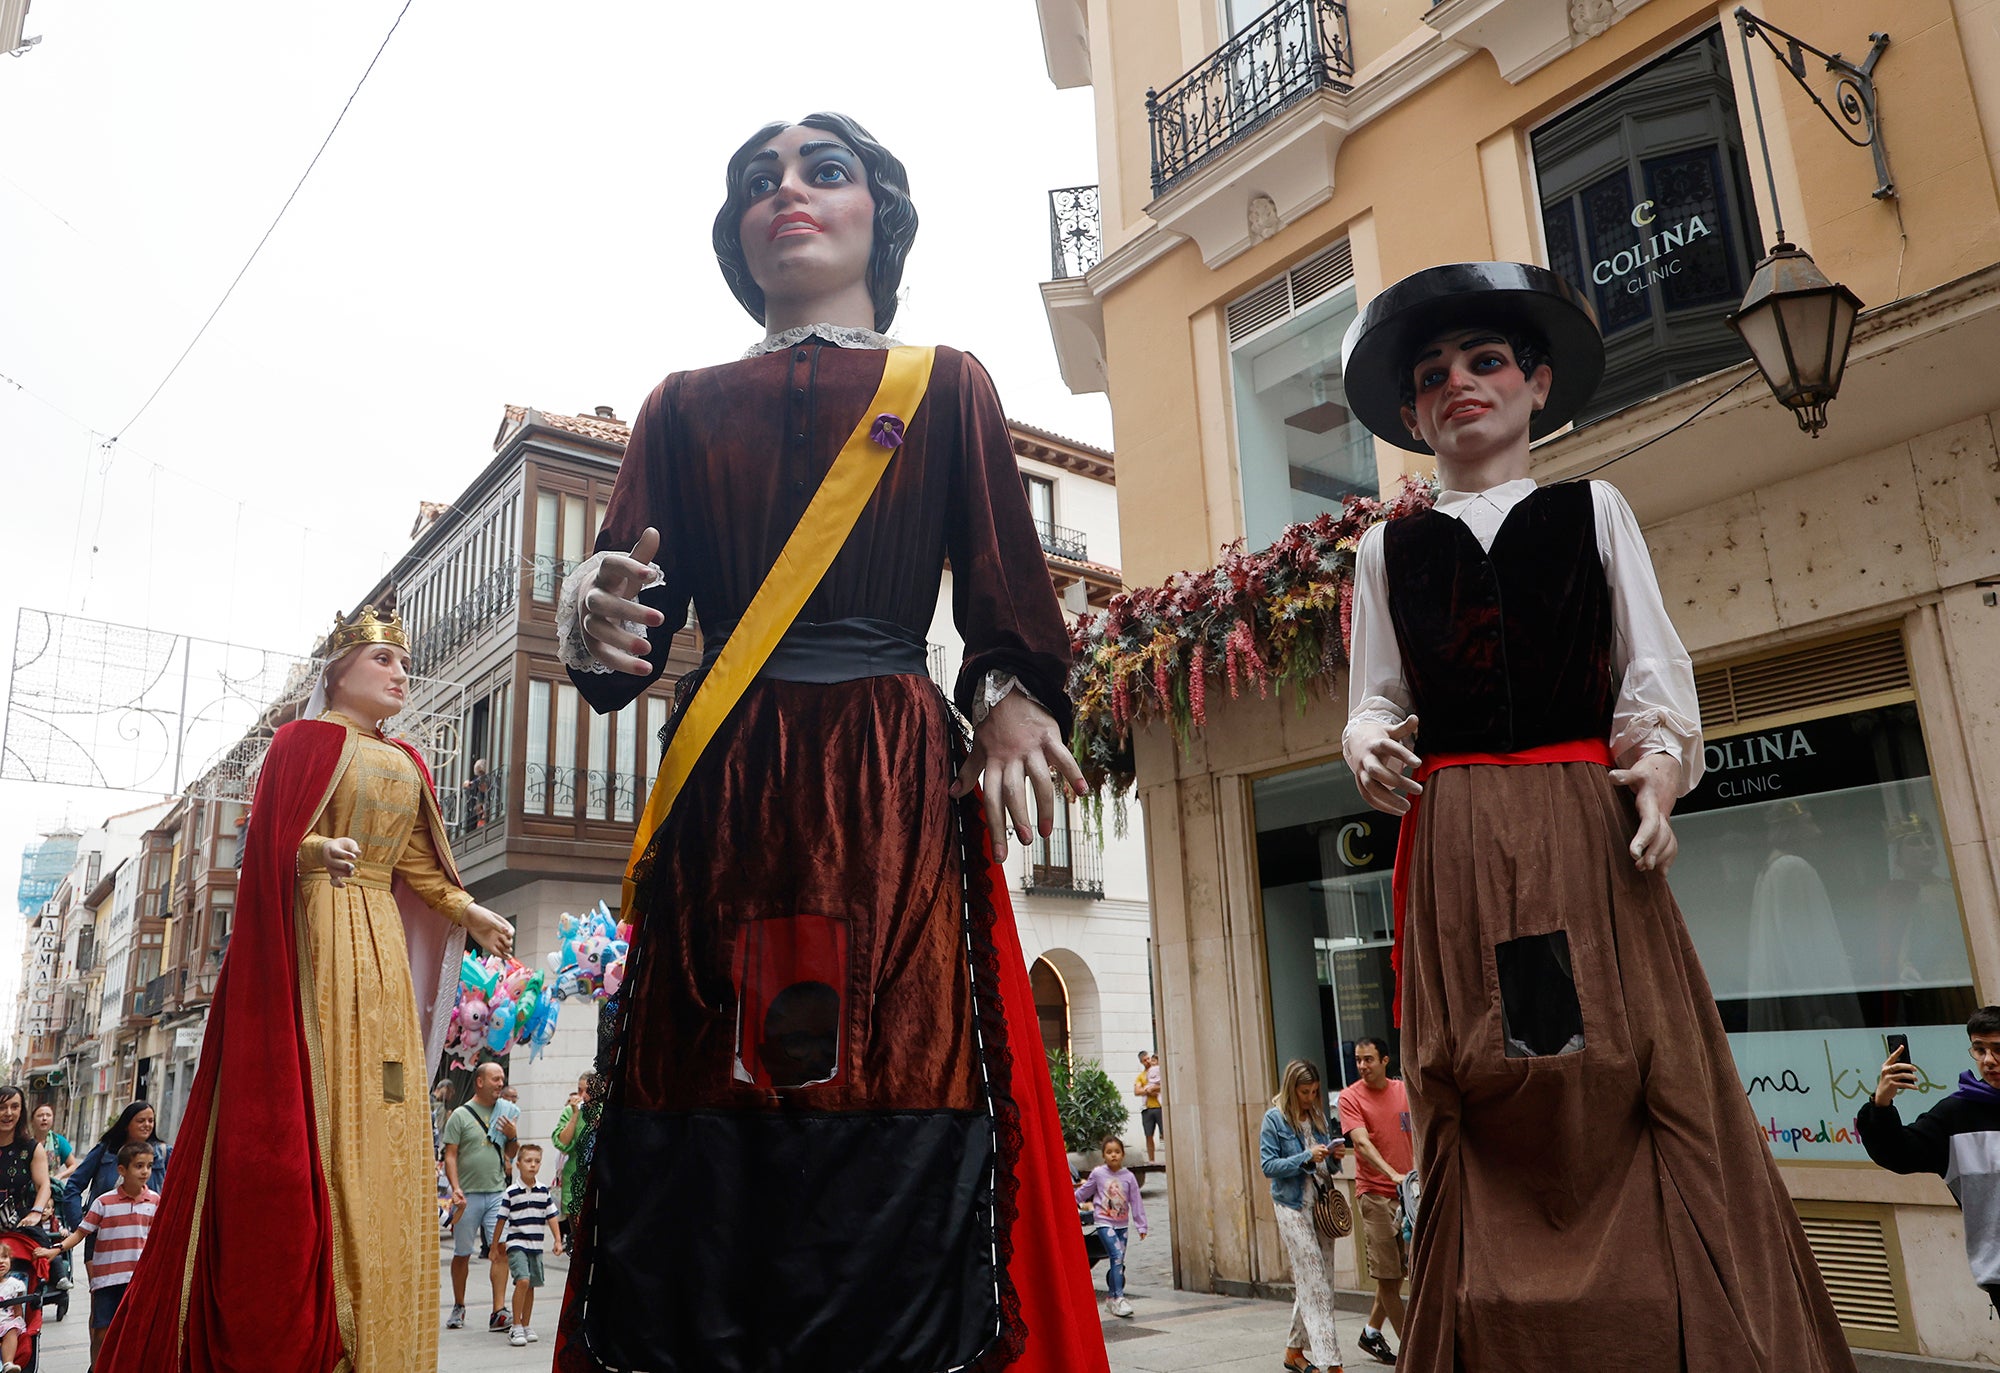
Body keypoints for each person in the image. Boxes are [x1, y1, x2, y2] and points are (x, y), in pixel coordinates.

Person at [549, 113, 1106, 1371]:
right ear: (736, 233)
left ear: (879, 217)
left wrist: (1011, 693)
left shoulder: (945, 381)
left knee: (895, 1059)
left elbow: (1006, 594)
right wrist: (591, 611)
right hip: (725, 778)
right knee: (704, 1067)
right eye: (760, 180)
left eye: (824, 170)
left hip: (887, 772)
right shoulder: (677, 405)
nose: (788, 191)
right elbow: (623, 632)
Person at [1339, 261, 1854, 1372]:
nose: (1456, 383)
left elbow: (1651, 677)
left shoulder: (1593, 509)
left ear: (1534, 385)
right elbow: (1375, 695)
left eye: (1484, 361)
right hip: (1459, 841)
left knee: (1620, 1060)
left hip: (1580, 828)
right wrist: (1363, 738)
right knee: (1477, 1070)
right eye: (1431, 375)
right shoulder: (1387, 549)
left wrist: (1659, 770)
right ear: (1412, 417)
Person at [96, 604, 515, 1373]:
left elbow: (421, 868)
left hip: (381, 944)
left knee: (388, 1096)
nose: (400, 673)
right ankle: (336, 1291)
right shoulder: (299, 743)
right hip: (319, 931)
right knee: (325, 1091)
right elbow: (268, 843)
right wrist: (316, 848)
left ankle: (380, 1297)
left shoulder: (408, 762)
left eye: (403, 662)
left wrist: (469, 909)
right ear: (340, 671)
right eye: (383, 659)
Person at [1858, 1007, 2000, 1314]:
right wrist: (1881, 1103)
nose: (1988, 1060)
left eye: (1998, 1049)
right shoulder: (1956, 1115)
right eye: (1979, 1049)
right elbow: (1897, 1154)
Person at [37, 1141, 159, 1366]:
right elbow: (81, 1233)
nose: (145, 1172)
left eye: (149, 1166)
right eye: (139, 1166)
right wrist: (56, 1249)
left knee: (133, 1332)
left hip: (137, 1281)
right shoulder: (104, 1202)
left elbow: (157, 1240)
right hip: (106, 1281)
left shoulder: (154, 1202)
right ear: (122, 1170)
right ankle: (97, 1367)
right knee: (101, 1332)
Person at [1260, 1060, 1348, 1373]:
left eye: (1314, 1092)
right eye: (1304, 1092)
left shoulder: (1318, 1116)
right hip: (1291, 1205)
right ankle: (1330, 1362)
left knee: (1322, 1279)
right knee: (1315, 1281)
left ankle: (1293, 1351)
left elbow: (1327, 1166)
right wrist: (1305, 1157)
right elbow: (1268, 1166)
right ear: (1291, 1089)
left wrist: (1334, 1158)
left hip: (1321, 1205)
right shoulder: (1274, 1119)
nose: (1310, 1098)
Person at [1334, 1038, 1410, 1366]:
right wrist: (1392, 1173)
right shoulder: (1350, 1097)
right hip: (1375, 1194)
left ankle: (1371, 1332)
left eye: (1368, 1059)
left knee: (1397, 1274)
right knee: (1388, 1277)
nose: (1362, 1066)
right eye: (1358, 1060)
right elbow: (1361, 1144)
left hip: (1408, 1194)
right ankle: (1413, 1351)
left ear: (1385, 1060)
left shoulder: (1404, 1091)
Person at [443, 1061, 513, 1333]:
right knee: (462, 1253)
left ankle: (499, 1311)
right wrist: (455, 1187)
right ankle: (459, 1305)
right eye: (495, 1079)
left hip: (497, 1193)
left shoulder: (505, 1113)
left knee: (501, 1250)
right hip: (467, 1197)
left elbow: (512, 1154)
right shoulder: (460, 1115)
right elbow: (450, 1155)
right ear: (480, 1081)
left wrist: (512, 1136)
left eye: (502, 1079)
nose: (500, 1084)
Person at [497, 1143, 564, 1347]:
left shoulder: (543, 1191)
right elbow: (501, 1220)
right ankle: (515, 1325)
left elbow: (551, 1216)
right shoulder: (511, 1192)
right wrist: (494, 1245)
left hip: (535, 1245)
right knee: (523, 1281)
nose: (533, 1165)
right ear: (518, 1164)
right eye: (528, 1161)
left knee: (531, 1285)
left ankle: (526, 1325)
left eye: (537, 1161)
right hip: (516, 1243)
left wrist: (558, 1239)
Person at [1074, 1135, 1148, 1319]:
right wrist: (1069, 1201)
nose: (1113, 1155)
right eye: (1109, 1152)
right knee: (1116, 1256)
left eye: (1117, 1152)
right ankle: (1119, 1298)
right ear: (1103, 1155)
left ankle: (1112, 1298)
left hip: (1122, 1225)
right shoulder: (1098, 1174)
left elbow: (1136, 1202)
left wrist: (1141, 1225)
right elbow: (1084, 1191)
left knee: (1118, 1261)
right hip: (1104, 1223)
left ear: (1122, 1154)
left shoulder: (1129, 1177)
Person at [550, 1073, 601, 1223]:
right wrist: (574, 1116)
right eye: (580, 1090)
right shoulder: (570, 1111)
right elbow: (562, 1144)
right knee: (578, 1231)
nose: (583, 1095)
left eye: (588, 1091)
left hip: (600, 1180)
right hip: (575, 1181)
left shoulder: (605, 1110)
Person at [0, 1088, 51, 1236]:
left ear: (21, 1111)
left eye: (14, 1107)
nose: (8, 1113)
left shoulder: (32, 1148)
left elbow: (44, 1185)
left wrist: (36, 1212)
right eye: (2, 1107)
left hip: (18, 1225)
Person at [1132, 1051, 1164, 1162]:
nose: (1148, 1061)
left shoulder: (1159, 1071)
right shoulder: (1141, 1076)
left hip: (1160, 1107)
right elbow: (1137, 1091)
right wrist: (1148, 1091)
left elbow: (1163, 1084)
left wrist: (1153, 1088)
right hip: (1148, 1108)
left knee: (1165, 1133)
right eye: (1144, 1060)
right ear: (1141, 1062)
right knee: (1148, 1135)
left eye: (1148, 1058)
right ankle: (1151, 1160)